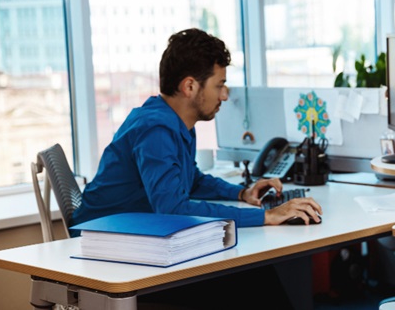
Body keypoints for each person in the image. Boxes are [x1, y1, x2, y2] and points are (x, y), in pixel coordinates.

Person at [73, 28, 322, 231]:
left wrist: (243, 193)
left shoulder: (176, 122)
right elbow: (174, 209)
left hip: (129, 231)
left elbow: (191, 181)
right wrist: (266, 216)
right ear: (190, 86)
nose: (224, 96)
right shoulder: (155, 129)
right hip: (99, 240)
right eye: (219, 85)